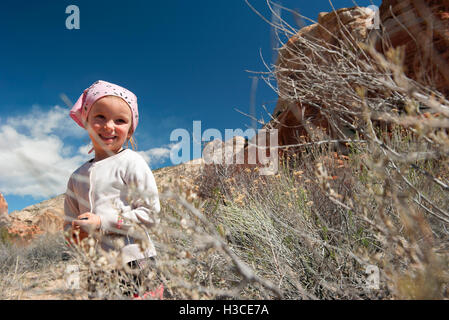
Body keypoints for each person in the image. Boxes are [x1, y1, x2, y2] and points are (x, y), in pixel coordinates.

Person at [63, 80, 163, 299]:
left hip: (135, 259)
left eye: (120, 120)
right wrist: (74, 233)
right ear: (86, 120)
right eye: (100, 117)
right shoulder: (76, 177)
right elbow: (69, 224)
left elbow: (151, 215)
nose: (109, 126)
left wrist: (102, 222)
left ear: (129, 130)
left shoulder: (131, 162)